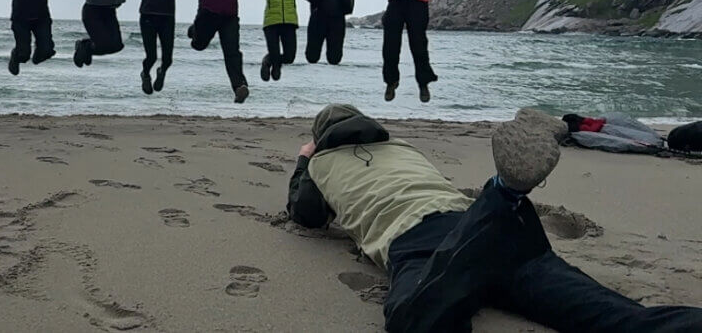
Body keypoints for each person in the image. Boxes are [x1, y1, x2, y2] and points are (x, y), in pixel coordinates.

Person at [288, 104, 702, 333]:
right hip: (497, 232)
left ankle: (503, 192)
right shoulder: (404, 148)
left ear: (321, 137)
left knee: (414, 320)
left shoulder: (324, 164)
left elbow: (306, 216)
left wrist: (305, 162)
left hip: (420, 241)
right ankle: (504, 194)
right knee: (622, 321)